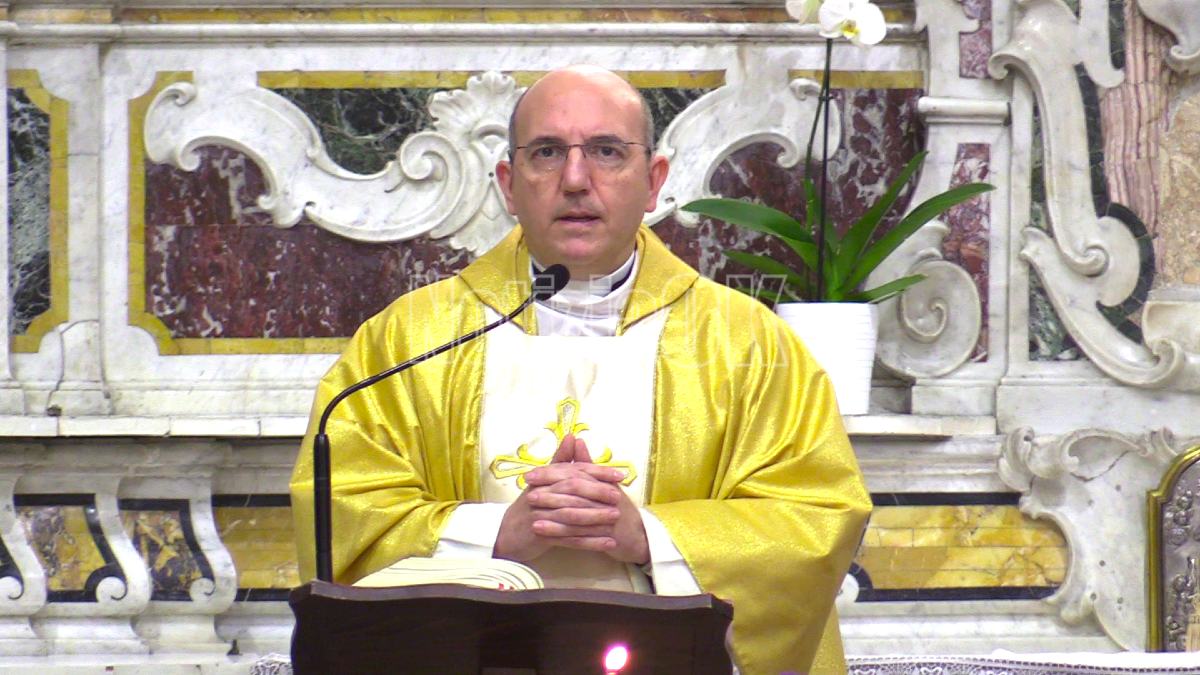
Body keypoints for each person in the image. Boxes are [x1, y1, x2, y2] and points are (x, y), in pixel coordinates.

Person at [290, 65, 871, 675]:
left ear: (654, 181)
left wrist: (650, 537)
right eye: (546, 152)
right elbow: (343, 512)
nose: (574, 180)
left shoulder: (748, 342)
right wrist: (497, 535)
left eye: (606, 151)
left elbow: (814, 519)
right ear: (508, 184)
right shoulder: (409, 339)